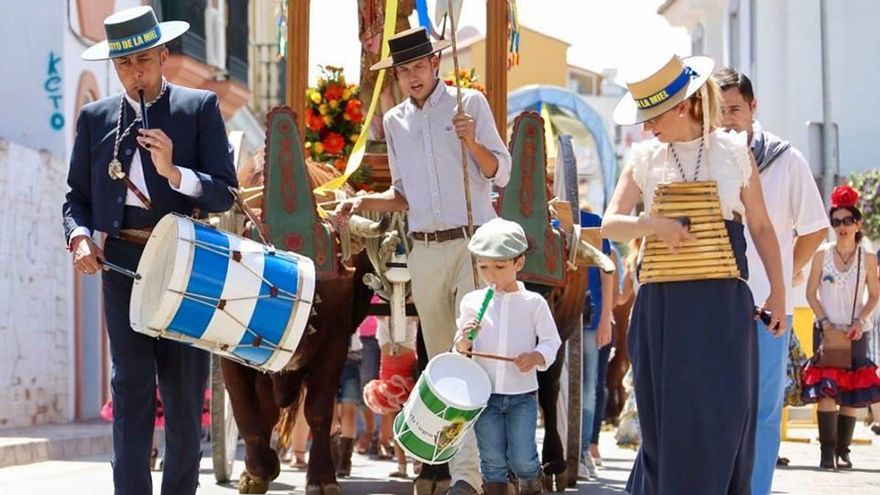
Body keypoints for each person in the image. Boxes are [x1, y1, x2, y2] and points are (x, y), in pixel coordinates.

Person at [63, 6, 237, 494]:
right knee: (131, 388)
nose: (135, 73)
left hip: (186, 263)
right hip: (121, 262)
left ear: (163, 55)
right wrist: (79, 237)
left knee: (183, 394)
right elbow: (75, 197)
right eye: (124, 65)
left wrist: (174, 172)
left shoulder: (198, 108)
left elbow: (224, 191)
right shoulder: (95, 118)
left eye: (143, 60)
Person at [333, 26, 512, 495]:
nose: (412, 76)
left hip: (474, 246)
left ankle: (493, 470)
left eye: (418, 66)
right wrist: (361, 202)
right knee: (450, 366)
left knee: (479, 357)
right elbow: (402, 195)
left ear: (435, 64)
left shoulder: (469, 106)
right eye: (403, 69)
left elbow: (501, 169)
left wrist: (471, 141)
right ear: (396, 75)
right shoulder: (394, 122)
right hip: (425, 253)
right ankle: (466, 477)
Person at [602, 51, 786, 494]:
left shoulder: (734, 151)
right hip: (662, 307)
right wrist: (653, 226)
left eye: (653, 115)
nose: (646, 128)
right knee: (668, 428)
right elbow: (609, 222)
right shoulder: (644, 158)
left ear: (681, 105)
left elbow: (760, 225)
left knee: (726, 421)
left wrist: (779, 293)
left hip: (723, 307)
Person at [714, 67, 829, 494]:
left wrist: (787, 271)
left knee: (763, 410)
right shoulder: (704, 160)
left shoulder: (785, 158)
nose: (728, 119)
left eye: (735, 109)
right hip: (712, 305)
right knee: (717, 407)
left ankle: (755, 488)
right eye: (719, 110)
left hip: (768, 308)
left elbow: (816, 227)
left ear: (753, 107)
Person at [453, 218, 561, 495]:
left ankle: (532, 486)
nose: (491, 275)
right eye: (483, 266)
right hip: (484, 397)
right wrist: (465, 338)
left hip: (522, 396)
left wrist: (536, 356)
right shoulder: (472, 302)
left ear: (519, 263)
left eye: (500, 267)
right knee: (492, 462)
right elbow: (460, 348)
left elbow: (552, 341)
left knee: (524, 460)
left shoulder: (533, 303)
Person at [802, 185, 880, 469]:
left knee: (851, 390)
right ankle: (826, 452)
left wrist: (861, 321)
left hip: (856, 330)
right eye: (836, 222)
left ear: (858, 223)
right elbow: (811, 292)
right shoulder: (822, 254)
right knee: (826, 390)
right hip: (826, 329)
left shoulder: (868, 258)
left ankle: (844, 451)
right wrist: (824, 320)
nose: (842, 227)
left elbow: (874, 294)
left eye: (848, 221)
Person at [578, 207, 614, 480]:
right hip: (556, 319)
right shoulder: (545, 219)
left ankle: (583, 452)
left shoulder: (593, 223)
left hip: (591, 318)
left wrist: (605, 319)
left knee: (589, 388)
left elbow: (607, 272)